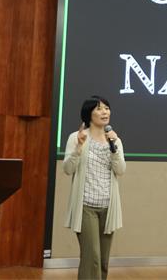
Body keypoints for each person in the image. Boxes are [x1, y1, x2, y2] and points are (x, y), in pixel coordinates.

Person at [63, 96, 125, 279]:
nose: (105, 112)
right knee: (93, 258)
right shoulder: (77, 137)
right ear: (89, 114)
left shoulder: (115, 140)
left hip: (108, 207)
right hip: (86, 206)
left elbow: (120, 170)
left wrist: (114, 149)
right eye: (99, 109)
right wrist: (78, 148)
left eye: (107, 108)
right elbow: (67, 169)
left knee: (103, 261)